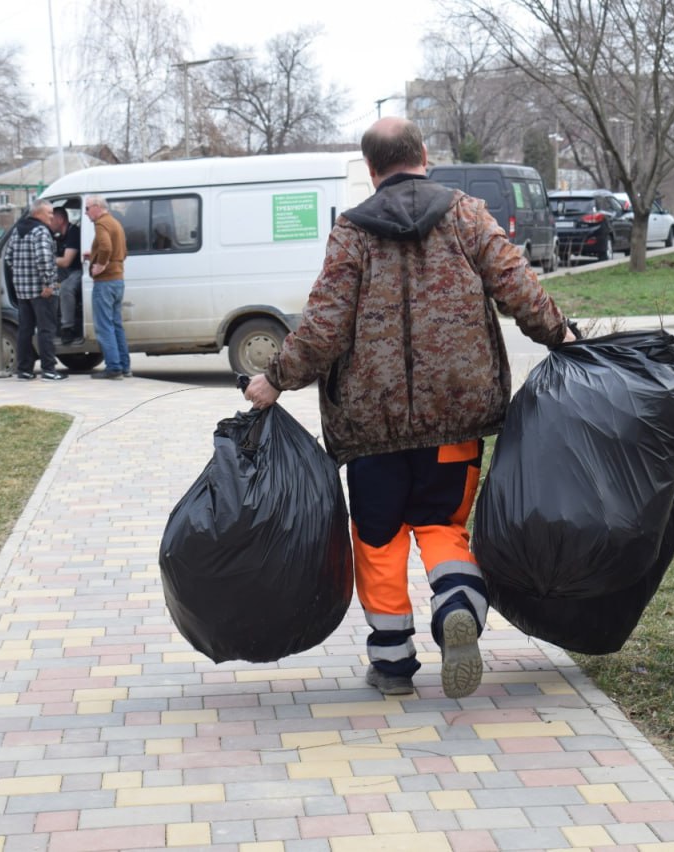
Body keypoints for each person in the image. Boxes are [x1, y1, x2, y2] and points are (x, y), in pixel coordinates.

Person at [243, 117, 575, 699]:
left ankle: (393, 662)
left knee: (379, 537)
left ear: (371, 170)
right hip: (456, 419)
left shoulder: (352, 231)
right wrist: (565, 339)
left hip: (371, 427)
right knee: (442, 524)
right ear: (424, 154)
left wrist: (274, 380)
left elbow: (323, 327)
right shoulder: (468, 215)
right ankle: (456, 601)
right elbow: (518, 285)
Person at [3, 199, 66, 381]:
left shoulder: (18, 230)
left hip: (23, 292)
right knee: (46, 330)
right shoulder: (40, 231)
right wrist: (48, 284)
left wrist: (21, 277)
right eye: (49, 213)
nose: (52, 217)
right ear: (38, 213)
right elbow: (44, 259)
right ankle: (49, 370)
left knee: (25, 331)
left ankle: (24, 370)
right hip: (42, 292)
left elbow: (8, 258)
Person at [83, 195, 130, 379]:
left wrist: (100, 265)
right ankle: (125, 366)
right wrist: (93, 255)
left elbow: (106, 247)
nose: (86, 213)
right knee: (117, 325)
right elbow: (122, 252)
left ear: (97, 207)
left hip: (105, 282)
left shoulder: (101, 224)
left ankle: (113, 367)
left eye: (87, 208)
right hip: (118, 280)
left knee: (104, 326)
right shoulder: (115, 223)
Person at [52, 206, 83, 345]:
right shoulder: (59, 236)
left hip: (78, 270)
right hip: (66, 271)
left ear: (60, 219)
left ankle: (67, 328)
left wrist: (46, 259)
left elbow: (65, 261)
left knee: (66, 288)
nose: (49, 222)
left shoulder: (73, 233)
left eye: (51, 219)